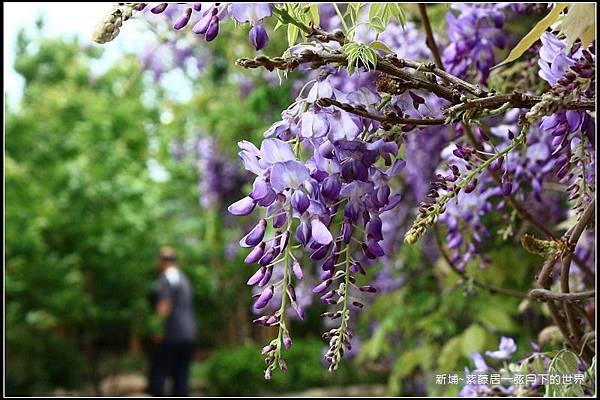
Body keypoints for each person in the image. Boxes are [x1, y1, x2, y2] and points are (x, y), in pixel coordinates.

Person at [147, 246, 197, 397]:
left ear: (161, 262)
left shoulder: (166, 278)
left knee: (158, 375)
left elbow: (164, 306)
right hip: (188, 334)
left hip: (171, 334)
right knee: (181, 377)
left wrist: (157, 330)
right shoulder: (184, 279)